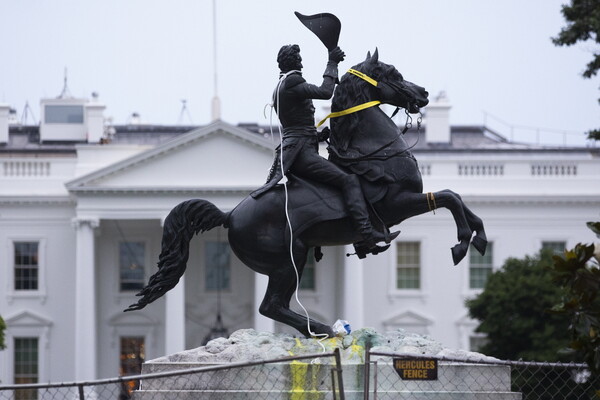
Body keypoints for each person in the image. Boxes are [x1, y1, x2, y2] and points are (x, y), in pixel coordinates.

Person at [251, 44, 398, 257]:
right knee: (349, 180)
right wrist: (332, 62)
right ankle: (366, 235)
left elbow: (295, 126)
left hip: (298, 148)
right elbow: (325, 92)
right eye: (298, 59)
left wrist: (318, 136)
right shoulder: (292, 81)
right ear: (292, 62)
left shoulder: (281, 86)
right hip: (302, 154)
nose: (301, 62)